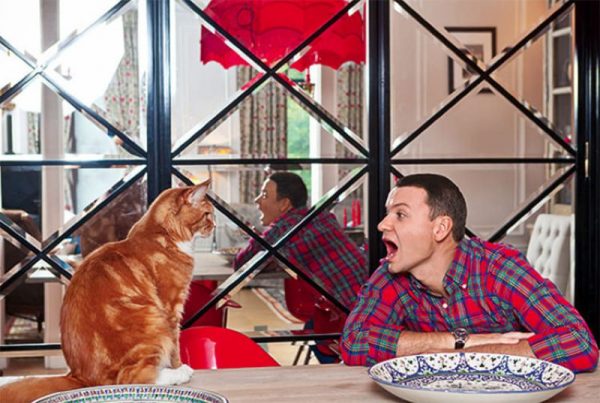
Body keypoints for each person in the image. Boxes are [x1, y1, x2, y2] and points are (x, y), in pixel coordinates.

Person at [341, 173, 598, 373]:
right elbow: (354, 342)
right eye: (388, 214)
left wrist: (458, 357)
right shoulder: (391, 273)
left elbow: (578, 343)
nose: (382, 224)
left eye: (400, 214)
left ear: (440, 228)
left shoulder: (499, 268)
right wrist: (465, 341)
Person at [235, 171, 369, 362]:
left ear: (284, 204)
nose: (257, 200)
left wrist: (257, 239)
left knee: (319, 338)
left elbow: (241, 264)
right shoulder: (321, 217)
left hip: (346, 321)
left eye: (264, 195)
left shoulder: (284, 228)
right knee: (312, 326)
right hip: (369, 304)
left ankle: (332, 374)